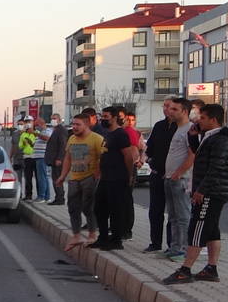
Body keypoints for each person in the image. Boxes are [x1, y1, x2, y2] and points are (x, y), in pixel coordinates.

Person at [163, 103, 228, 285]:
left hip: (211, 192)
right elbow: (200, 156)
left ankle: (185, 270)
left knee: (197, 229)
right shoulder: (210, 136)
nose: (199, 121)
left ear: (213, 120)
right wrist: (192, 137)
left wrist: (201, 190)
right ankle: (211, 268)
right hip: (210, 190)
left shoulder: (221, 140)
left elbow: (215, 168)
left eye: (203, 118)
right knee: (212, 231)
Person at [89, 106, 138, 250]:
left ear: (115, 118)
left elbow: (128, 156)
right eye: (102, 117)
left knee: (116, 209)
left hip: (117, 178)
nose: (103, 120)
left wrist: (129, 175)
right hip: (106, 177)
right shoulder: (108, 134)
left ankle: (116, 240)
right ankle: (103, 238)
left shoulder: (120, 134)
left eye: (106, 117)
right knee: (100, 208)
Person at [54, 114, 104, 251]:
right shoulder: (72, 138)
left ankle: (92, 234)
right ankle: (76, 235)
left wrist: (98, 174)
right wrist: (62, 176)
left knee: (88, 207)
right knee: (73, 207)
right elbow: (68, 158)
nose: (74, 127)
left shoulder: (97, 139)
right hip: (74, 178)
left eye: (78, 124)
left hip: (89, 178)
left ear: (87, 124)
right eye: (73, 124)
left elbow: (103, 157)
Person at [161, 98, 196, 260]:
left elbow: (192, 155)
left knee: (182, 216)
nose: (170, 111)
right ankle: (175, 247)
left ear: (185, 111)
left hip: (181, 179)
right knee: (173, 216)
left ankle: (183, 249)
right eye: (170, 108)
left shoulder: (189, 129)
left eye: (175, 109)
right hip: (170, 178)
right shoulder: (178, 129)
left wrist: (179, 173)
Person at [143, 100, 179, 252]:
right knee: (155, 211)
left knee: (174, 213)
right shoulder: (159, 126)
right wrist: (147, 159)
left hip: (174, 176)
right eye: (164, 106)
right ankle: (155, 243)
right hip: (157, 174)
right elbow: (149, 148)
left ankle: (173, 245)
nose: (166, 109)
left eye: (170, 106)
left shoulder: (183, 127)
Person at [43, 113, 68, 205]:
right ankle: (58, 197)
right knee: (55, 178)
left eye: (54, 118)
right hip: (53, 159)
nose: (52, 120)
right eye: (52, 118)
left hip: (58, 159)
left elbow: (63, 145)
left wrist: (59, 158)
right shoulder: (55, 129)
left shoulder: (61, 130)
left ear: (59, 120)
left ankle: (60, 198)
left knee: (57, 179)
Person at [31, 117, 50, 201]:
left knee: (42, 177)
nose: (36, 127)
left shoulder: (47, 131)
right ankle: (46, 197)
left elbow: (47, 138)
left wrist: (36, 134)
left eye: (37, 125)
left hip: (42, 157)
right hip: (38, 156)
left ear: (42, 124)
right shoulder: (40, 132)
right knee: (43, 177)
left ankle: (41, 196)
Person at [18, 121, 37, 200]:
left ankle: (40, 196)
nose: (29, 130)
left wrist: (31, 142)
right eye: (28, 129)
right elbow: (20, 146)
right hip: (27, 157)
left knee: (38, 177)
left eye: (30, 128)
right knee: (28, 177)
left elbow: (36, 144)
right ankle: (28, 195)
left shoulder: (36, 134)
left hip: (35, 157)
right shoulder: (23, 135)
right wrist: (24, 143)